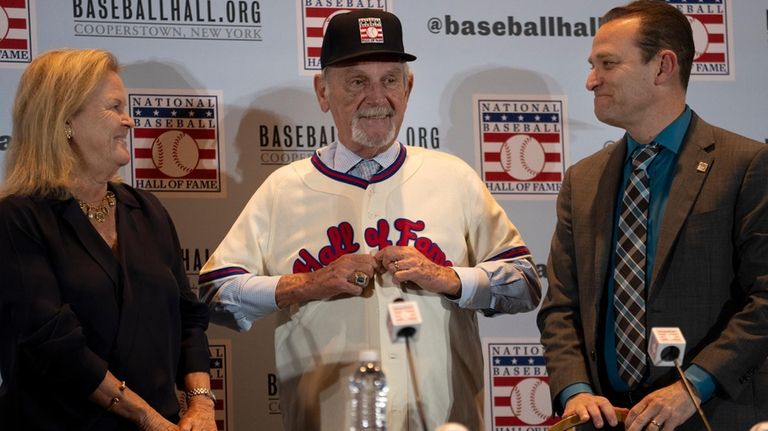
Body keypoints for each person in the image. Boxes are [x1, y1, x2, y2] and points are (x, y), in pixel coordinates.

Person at [199, 9, 542, 431]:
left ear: (409, 88)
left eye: (390, 80)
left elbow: (525, 284)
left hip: (443, 422)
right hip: (326, 421)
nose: (377, 97)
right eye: (357, 81)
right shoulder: (285, 187)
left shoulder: (453, 177)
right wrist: (307, 285)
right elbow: (213, 292)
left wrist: (450, 279)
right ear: (323, 92)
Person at [537, 1, 768, 430]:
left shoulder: (747, 164)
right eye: (592, 65)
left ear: (663, 67)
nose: (591, 81)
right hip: (607, 420)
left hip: (710, 415)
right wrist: (575, 391)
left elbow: (765, 299)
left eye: (607, 64)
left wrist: (692, 385)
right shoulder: (581, 180)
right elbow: (561, 307)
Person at [0, 49, 215, 431]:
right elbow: (54, 346)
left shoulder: (146, 210)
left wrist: (200, 406)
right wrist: (147, 419)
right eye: (114, 107)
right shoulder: (18, 219)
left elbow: (188, 319)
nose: (128, 120)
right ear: (65, 121)